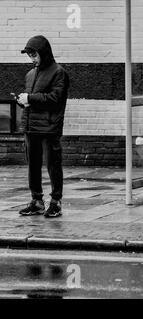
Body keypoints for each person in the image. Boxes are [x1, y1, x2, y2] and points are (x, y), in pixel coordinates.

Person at [17, 35, 70, 218]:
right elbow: (35, 99)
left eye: (34, 54)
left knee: (53, 164)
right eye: (30, 55)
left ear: (44, 53)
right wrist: (23, 101)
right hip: (31, 126)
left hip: (49, 127)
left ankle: (55, 201)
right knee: (33, 165)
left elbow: (56, 99)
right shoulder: (30, 74)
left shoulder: (58, 72)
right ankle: (37, 201)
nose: (32, 59)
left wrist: (30, 98)